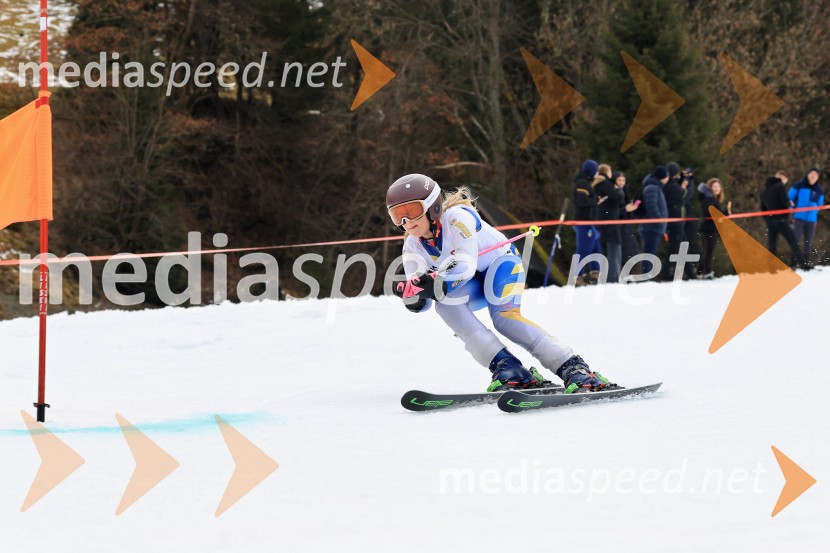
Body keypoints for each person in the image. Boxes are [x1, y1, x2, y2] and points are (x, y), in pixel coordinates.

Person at [387, 173, 614, 393]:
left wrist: (433, 283)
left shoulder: (457, 218)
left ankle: (572, 366)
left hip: (502, 265)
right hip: (471, 280)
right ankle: (508, 367)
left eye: (412, 211)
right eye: (398, 216)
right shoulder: (412, 247)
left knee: (505, 319)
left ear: (432, 206)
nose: (406, 222)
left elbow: (465, 264)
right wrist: (414, 298)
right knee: (444, 305)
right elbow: (425, 299)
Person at [761, 174, 807, 269]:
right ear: (782, 179)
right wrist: (790, 203)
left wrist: (768, 220)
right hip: (781, 220)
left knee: (772, 245)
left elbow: (763, 209)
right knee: (793, 242)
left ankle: (771, 267)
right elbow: (785, 201)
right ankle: (803, 265)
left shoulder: (765, 190)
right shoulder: (780, 186)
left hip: (770, 221)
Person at [572, 159, 605, 284]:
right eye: (596, 170)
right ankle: (577, 276)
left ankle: (595, 274)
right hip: (584, 222)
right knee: (584, 249)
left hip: (590, 222)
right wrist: (595, 200)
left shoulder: (586, 182)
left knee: (596, 248)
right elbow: (582, 201)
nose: (597, 172)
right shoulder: (582, 183)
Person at [595, 168, 627, 283]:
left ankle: (611, 278)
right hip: (609, 224)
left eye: (624, 180)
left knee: (612, 251)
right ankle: (612, 279)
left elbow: (616, 206)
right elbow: (617, 200)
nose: (621, 182)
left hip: (610, 223)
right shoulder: (607, 185)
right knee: (614, 251)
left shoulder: (607, 187)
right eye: (619, 179)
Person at [787, 168, 824, 265]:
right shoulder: (798, 185)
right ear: (807, 175)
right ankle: (793, 264)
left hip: (811, 220)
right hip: (798, 217)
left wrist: (814, 210)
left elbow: (819, 205)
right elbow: (788, 200)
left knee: (808, 243)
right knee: (796, 241)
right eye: (811, 174)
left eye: (815, 175)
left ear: (817, 177)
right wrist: (791, 213)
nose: (813, 176)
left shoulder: (819, 190)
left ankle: (805, 263)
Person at [697, 178, 731, 279]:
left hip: (710, 228)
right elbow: (712, 215)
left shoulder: (713, 199)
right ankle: (707, 273)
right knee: (709, 253)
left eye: (718, 186)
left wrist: (725, 213)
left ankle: (698, 272)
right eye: (714, 186)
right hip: (709, 229)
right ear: (710, 188)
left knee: (707, 252)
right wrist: (724, 214)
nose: (716, 188)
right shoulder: (708, 199)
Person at [639, 165, 669, 275]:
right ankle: (646, 276)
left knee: (651, 252)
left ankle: (648, 275)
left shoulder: (657, 187)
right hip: (651, 227)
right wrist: (658, 219)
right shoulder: (652, 188)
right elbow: (651, 205)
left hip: (655, 227)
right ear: (663, 176)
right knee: (649, 253)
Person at [662, 162, 687, 280]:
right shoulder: (673, 186)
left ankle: (687, 273)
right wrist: (687, 184)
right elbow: (685, 194)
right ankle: (666, 272)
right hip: (675, 221)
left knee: (681, 246)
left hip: (673, 220)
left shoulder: (667, 184)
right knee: (675, 247)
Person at [680, 167, 702, 277]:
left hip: (689, 217)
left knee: (692, 243)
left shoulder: (690, 183)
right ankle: (688, 269)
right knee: (683, 245)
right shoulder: (678, 181)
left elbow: (688, 194)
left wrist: (688, 179)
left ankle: (697, 267)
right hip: (681, 217)